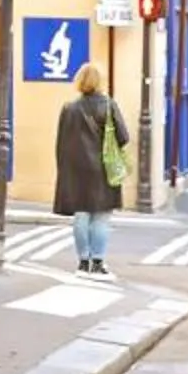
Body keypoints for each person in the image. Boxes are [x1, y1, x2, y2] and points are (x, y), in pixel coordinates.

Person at [52, 61, 133, 278]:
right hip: (103, 168)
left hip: (75, 169)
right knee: (101, 216)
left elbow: (61, 143)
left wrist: (63, 169)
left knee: (81, 215)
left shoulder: (69, 109)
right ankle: (97, 263)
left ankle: (83, 263)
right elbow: (123, 137)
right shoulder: (108, 105)